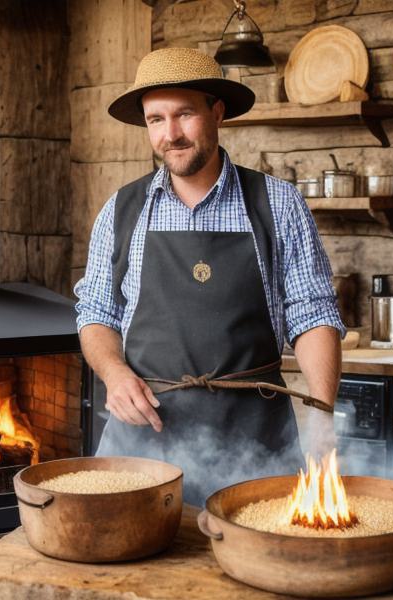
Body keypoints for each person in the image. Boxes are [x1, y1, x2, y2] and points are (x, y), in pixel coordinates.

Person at [74, 48, 344, 505]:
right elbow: (98, 312)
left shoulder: (278, 204)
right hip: (144, 442)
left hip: (255, 443)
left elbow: (313, 313)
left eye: (184, 115)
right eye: (156, 119)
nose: (171, 134)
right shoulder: (120, 211)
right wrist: (115, 373)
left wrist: (320, 413)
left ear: (217, 112)